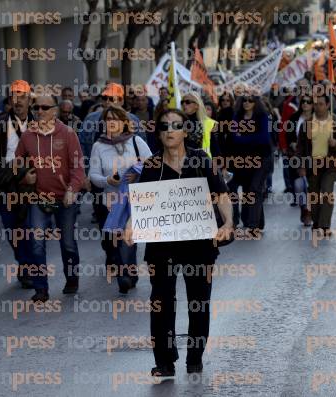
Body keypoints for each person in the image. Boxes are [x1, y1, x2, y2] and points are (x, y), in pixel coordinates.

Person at [123, 108, 233, 377]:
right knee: (161, 303)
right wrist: (130, 226)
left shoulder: (201, 160)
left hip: (199, 245)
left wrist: (228, 224)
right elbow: (142, 204)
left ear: (185, 131)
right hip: (162, 247)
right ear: (159, 134)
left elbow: (221, 195)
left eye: (175, 125)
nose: (169, 130)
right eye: (164, 126)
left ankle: (195, 357)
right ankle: (164, 361)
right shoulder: (152, 166)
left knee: (198, 303)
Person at [16, 95, 85, 302]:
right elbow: (17, 164)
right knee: (36, 243)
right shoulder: (27, 136)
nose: (40, 111)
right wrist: (23, 176)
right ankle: (41, 289)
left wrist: (72, 189)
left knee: (68, 244)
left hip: (65, 198)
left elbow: (78, 167)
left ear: (55, 111)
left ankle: (72, 279)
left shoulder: (68, 133)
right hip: (38, 198)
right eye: (36, 107)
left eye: (45, 107)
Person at [89, 106, 152, 293]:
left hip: (133, 199)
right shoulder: (98, 146)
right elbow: (93, 175)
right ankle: (126, 269)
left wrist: (137, 174)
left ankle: (125, 275)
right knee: (111, 242)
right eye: (108, 119)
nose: (112, 122)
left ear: (124, 122)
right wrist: (107, 180)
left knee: (127, 237)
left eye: (116, 119)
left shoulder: (136, 141)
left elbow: (152, 165)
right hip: (109, 201)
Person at [0, 79, 35, 289]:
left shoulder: (39, 122)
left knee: (30, 229)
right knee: (12, 229)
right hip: (7, 184)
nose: (18, 100)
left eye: (22, 96)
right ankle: (23, 264)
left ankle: (30, 268)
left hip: (32, 183)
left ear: (30, 99)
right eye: (14, 96)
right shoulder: (0, 125)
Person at [297, 95, 336, 236]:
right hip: (312, 165)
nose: (318, 107)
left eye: (321, 104)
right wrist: (301, 165)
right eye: (316, 104)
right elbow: (301, 147)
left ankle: (325, 225)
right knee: (314, 194)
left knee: (326, 192)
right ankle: (316, 222)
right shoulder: (307, 124)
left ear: (327, 105)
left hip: (330, 165)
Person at [228, 93, 273, 235]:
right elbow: (234, 138)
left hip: (263, 159)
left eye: (250, 101)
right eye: (244, 100)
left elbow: (264, 138)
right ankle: (259, 223)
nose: (246, 103)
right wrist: (252, 137)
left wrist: (245, 137)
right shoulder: (237, 117)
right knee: (251, 190)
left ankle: (253, 226)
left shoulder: (262, 117)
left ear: (256, 103)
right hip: (245, 160)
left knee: (254, 189)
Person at [288, 95, 314, 226]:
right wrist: (291, 144)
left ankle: (309, 211)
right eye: (303, 101)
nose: (305, 104)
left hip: (313, 157)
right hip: (297, 156)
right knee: (299, 186)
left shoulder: (318, 119)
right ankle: (304, 208)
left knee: (310, 186)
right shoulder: (294, 118)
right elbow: (288, 135)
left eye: (308, 102)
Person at [180, 92, 219, 157]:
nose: (184, 104)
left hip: (203, 162)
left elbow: (215, 148)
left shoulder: (210, 123)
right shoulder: (179, 122)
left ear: (196, 105)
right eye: (182, 102)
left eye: (187, 102)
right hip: (181, 162)